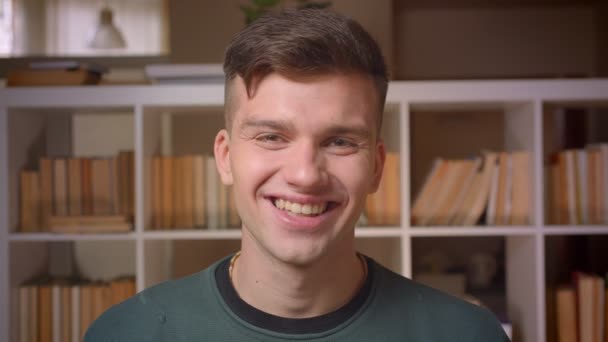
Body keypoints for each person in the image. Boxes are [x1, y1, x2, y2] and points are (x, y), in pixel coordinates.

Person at [85, 8, 510, 341]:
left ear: (378, 167)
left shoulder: (465, 334)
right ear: (226, 156)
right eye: (272, 136)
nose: (306, 175)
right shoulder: (128, 333)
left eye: (340, 141)